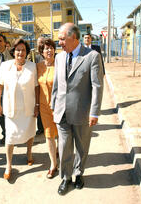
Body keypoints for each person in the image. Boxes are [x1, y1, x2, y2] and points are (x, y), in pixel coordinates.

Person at [51, 23, 104, 195]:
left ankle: (79, 173)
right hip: (62, 112)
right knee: (65, 146)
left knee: (82, 147)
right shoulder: (59, 58)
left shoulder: (92, 56)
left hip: (82, 112)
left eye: (62, 39)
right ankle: (66, 177)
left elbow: (97, 86)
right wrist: (54, 106)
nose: (59, 43)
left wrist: (94, 112)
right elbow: (57, 86)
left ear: (74, 37)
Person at [0, 38, 39, 180]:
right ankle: (8, 165)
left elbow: (36, 87)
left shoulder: (33, 66)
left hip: (28, 108)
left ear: (27, 52)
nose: (20, 52)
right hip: (11, 109)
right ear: (13, 51)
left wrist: (37, 105)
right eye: (18, 50)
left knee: (30, 132)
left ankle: (29, 153)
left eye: (23, 50)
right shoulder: (5, 66)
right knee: (10, 137)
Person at [37, 38, 58, 179]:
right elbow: (36, 87)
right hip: (44, 107)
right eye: (46, 48)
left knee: (62, 135)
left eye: (51, 47)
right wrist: (36, 105)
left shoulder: (61, 65)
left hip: (60, 106)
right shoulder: (38, 66)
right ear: (42, 52)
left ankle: (61, 154)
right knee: (49, 136)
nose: (49, 50)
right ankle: (53, 165)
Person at [28, 36, 45, 136]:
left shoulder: (48, 54)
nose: (40, 44)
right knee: (37, 106)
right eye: (39, 43)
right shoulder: (34, 56)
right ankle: (40, 127)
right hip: (36, 85)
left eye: (42, 42)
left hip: (46, 84)